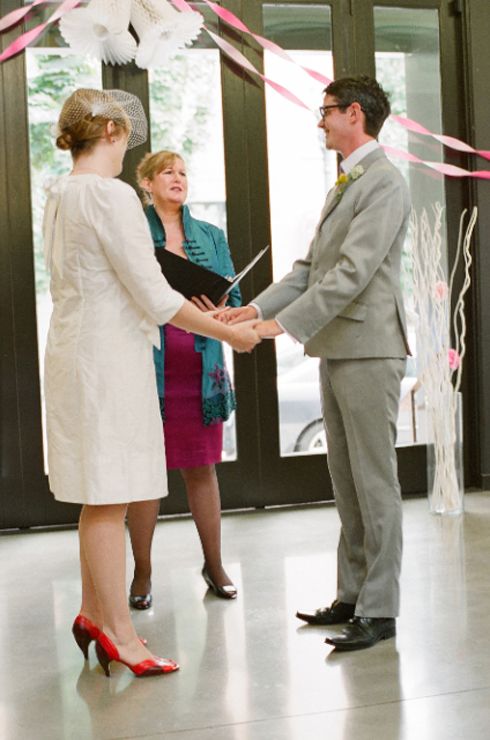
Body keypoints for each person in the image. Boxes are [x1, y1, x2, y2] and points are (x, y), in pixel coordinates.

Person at [43, 88, 259, 678]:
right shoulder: (109, 194)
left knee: (98, 496)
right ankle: (121, 634)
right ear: (111, 132)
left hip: (73, 353)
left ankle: (93, 613)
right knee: (111, 496)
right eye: (125, 137)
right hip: (109, 359)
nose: (126, 149)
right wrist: (228, 330)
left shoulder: (61, 193)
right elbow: (156, 295)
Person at [220, 76, 411, 651]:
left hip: (370, 347)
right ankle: (352, 595)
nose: (320, 122)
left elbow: (352, 274)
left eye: (325, 111)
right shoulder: (345, 183)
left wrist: (279, 326)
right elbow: (309, 270)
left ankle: (380, 609)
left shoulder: (385, 182)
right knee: (346, 482)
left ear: (354, 113)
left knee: (375, 483)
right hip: (336, 346)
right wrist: (254, 308)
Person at [126, 150, 241, 608]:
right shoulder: (131, 231)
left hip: (200, 370)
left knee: (202, 468)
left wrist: (223, 307)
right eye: (168, 172)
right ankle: (142, 573)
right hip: (147, 368)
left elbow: (236, 296)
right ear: (147, 184)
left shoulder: (212, 235)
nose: (178, 178)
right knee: (145, 475)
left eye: (183, 172)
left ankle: (215, 565)